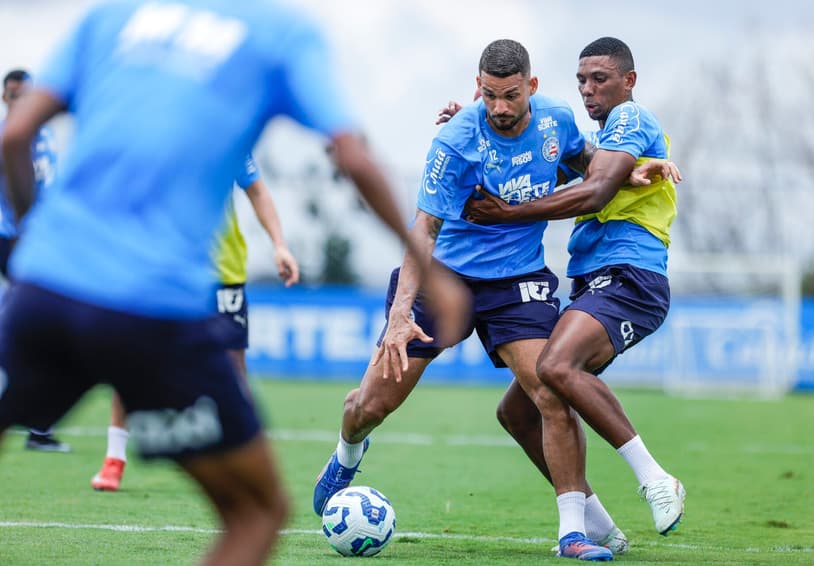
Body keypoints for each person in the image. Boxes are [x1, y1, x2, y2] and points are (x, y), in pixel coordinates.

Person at [0, 2, 466, 564]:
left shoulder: (112, 17)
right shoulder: (281, 32)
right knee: (257, 511)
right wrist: (432, 272)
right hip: (152, 307)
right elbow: (353, 156)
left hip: (44, 289)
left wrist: (33, 242)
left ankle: (116, 454)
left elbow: (15, 135)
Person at [313, 39, 671, 561]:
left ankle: (576, 530)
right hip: (445, 279)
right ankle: (346, 454)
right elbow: (424, 229)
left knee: (550, 390)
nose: (499, 108)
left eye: (509, 96)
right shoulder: (456, 141)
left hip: (517, 281)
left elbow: (581, 160)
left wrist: (629, 169)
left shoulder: (555, 118)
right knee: (371, 405)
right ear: (476, 89)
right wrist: (397, 318)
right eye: (488, 96)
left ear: (532, 87)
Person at [465, 36, 687, 545]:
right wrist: (477, 122)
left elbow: (595, 190)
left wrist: (508, 214)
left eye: (600, 79)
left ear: (628, 81)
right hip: (598, 281)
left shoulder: (630, 119)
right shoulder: (603, 138)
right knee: (517, 412)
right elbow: (569, 165)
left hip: (630, 276)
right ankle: (600, 526)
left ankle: (655, 478)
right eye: (582, 80)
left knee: (555, 366)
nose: (588, 89)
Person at [91, 154, 299, 492]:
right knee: (131, 360)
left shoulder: (232, 139)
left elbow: (257, 191)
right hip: (163, 271)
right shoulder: (152, 133)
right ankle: (114, 458)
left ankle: (239, 459)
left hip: (223, 274)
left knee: (233, 372)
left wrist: (279, 245)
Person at [0, 68, 70, 453]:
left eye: (24, 95)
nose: (18, 102)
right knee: (38, 328)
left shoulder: (44, 137)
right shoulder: (14, 136)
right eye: (12, 96)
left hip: (32, 241)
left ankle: (38, 425)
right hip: (15, 240)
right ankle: (38, 428)